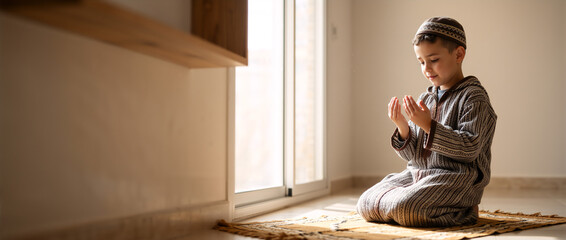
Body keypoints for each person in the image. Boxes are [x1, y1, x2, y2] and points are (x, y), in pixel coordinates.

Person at [356, 17, 497, 227]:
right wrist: (403, 127)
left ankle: (465, 210)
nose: (426, 68)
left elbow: (470, 149)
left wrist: (429, 126)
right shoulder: (426, 98)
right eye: (421, 62)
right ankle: (408, 201)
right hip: (419, 175)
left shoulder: (473, 97)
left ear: (458, 54)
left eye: (433, 60)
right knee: (366, 203)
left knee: (407, 208)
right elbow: (413, 156)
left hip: (457, 179)